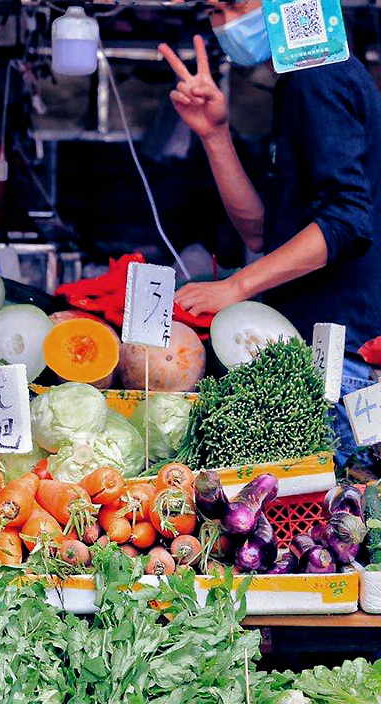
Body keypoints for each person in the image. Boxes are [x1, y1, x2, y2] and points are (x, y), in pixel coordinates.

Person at [160, 3, 381, 468]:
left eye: (233, 6)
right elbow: (263, 231)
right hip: (319, 358)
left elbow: (345, 222)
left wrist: (235, 287)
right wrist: (215, 136)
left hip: (342, 366)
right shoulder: (302, 80)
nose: (223, 26)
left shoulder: (319, 76)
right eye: (214, 12)